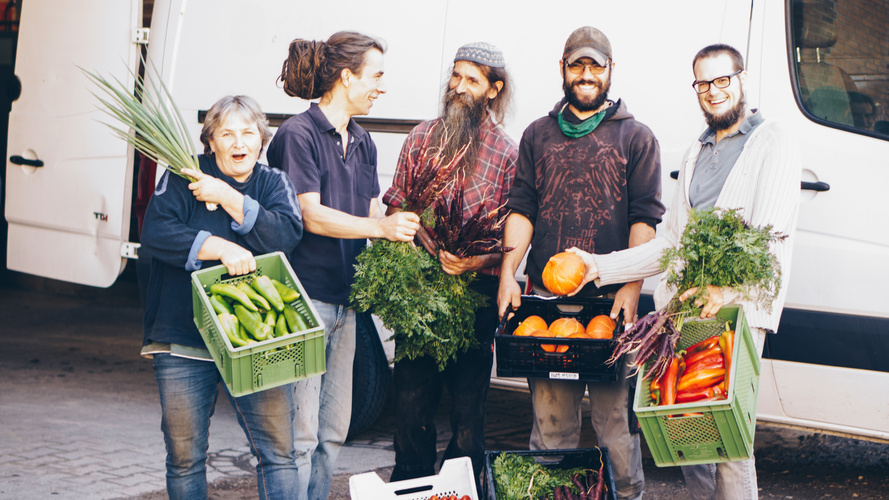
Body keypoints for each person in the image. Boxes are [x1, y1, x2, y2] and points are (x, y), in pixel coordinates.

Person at [569, 44, 801, 500]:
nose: (713, 92)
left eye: (722, 81)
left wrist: (725, 290)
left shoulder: (773, 139)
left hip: (737, 313)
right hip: (687, 311)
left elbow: (771, 238)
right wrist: (599, 266)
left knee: (730, 442)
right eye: (703, 83)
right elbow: (672, 243)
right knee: (688, 436)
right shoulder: (697, 150)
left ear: (742, 79)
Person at [497, 26, 665, 500]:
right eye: (577, 65)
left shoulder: (636, 138)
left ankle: (626, 494)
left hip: (610, 308)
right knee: (551, 430)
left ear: (611, 71)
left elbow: (644, 219)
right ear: (563, 69)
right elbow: (522, 209)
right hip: (546, 309)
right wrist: (508, 275)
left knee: (614, 427)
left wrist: (630, 288)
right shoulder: (537, 135)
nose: (586, 74)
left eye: (596, 65)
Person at [266, 31, 421, 500]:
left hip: (348, 304)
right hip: (304, 299)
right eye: (375, 76)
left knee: (333, 432)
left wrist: (401, 234)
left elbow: (371, 208)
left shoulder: (363, 141)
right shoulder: (298, 135)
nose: (381, 87)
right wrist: (380, 229)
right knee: (300, 436)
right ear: (346, 76)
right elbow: (309, 213)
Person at [139, 95, 303, 499]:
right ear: (210, 141)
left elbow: (285, 235)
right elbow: (156, 233)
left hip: (259, 343)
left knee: (279, 453)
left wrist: (228, 197)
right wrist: (218, 246)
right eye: (226, 133)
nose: (238, 142)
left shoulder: (273, 183)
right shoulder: (184, 176)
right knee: (184, 457)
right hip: (184, 338)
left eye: (248, 133)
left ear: (261, 140)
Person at [382, 42, 517, 487]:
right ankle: (411, 488)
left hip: (475, 295)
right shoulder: (421, 137)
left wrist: (479, 258)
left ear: (494, 89)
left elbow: (513, 240)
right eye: (455, 76)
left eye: (472, 80)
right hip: (419, 288)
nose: (458, 87)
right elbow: (396, 204)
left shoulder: (508, 155)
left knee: (467, 417)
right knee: (410, 408)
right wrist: (414, 233)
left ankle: (457, 490)